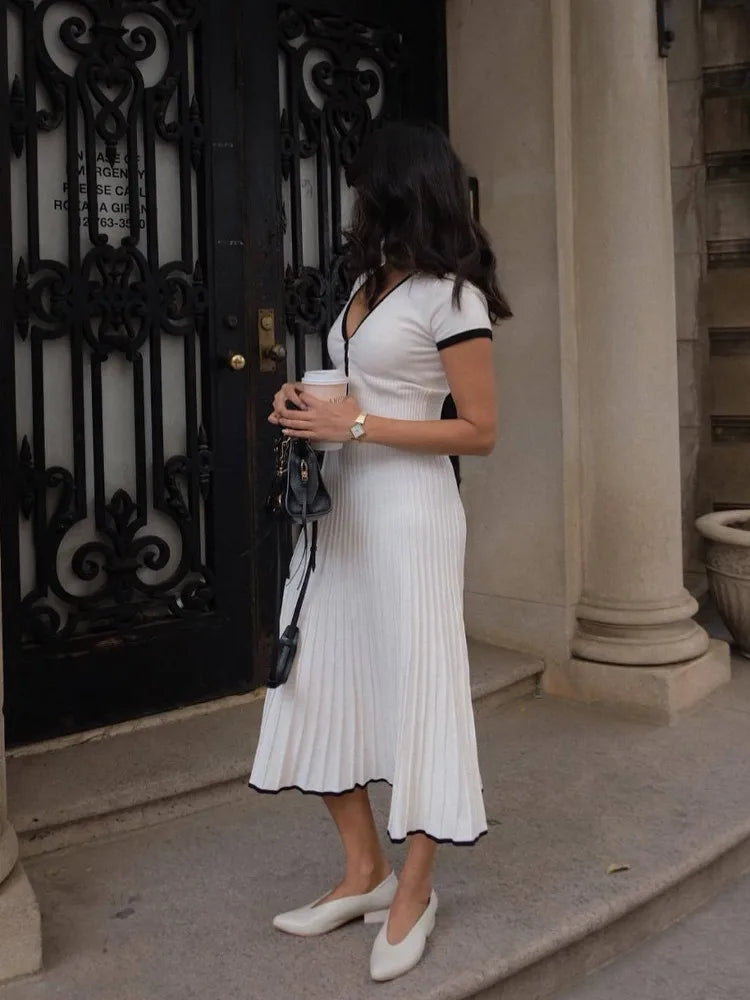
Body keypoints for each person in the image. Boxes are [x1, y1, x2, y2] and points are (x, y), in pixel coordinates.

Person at [248, 120, 511, 982]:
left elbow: (477, 431)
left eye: (366, 183)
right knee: (315, 677)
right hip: (342, 511)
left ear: (402, 186)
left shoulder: (453, 296)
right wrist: (311, 402)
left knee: (419, 688)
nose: (357, 197)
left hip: (411, 514)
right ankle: (364, 871)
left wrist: (356, 421)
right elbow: (358, 390)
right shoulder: (368, 281)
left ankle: (416, 893)